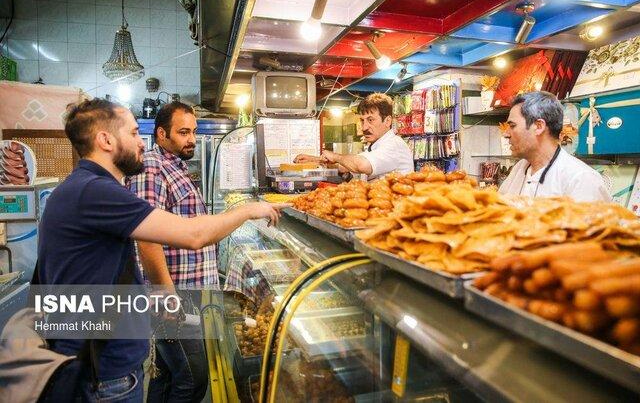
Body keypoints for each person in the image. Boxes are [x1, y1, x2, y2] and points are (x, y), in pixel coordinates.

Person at [37, 99, 284, 402]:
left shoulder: (85, 187)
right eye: (133, 133)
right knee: (192, 379)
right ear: (105, 140)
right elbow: (192, 234)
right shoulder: (94, 191)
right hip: (101, 372)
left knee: (171, 377)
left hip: (102, 359)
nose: (142, 142)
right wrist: (248, 210)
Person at [126, 102, 210, 402]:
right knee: (193, 377)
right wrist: (167, 296)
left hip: (182, 290)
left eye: (194, 132)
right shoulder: (152, 168)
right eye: (183, 132)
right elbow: (147, 238)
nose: (191, 139)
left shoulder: (174, 166)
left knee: (167, 372)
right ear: (161, 134)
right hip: (172, 293)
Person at [499, 91, 611, 202]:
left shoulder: (582, 180)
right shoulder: (520, 168)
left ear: (539, 126)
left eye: (512, 126)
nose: (506, 134)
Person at [295, 93, 414, 180]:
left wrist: (335, 156)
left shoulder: (394, 145)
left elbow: (361, 165)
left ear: (387, 121)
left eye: (371, 120)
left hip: (394, 212)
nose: (364, 127)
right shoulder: (375, 146)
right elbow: (345, 167)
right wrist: (314, 160)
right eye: (362, 121)